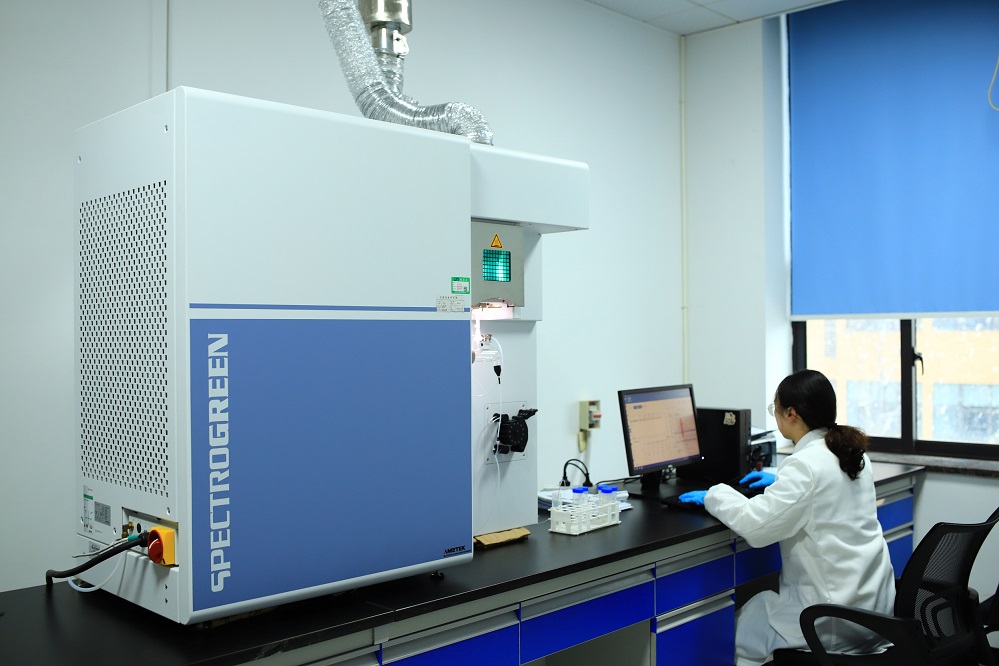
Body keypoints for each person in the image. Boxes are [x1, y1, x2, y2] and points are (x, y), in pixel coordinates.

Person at [679, 369, 896, 665]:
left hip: (830, 621)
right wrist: (779, 481)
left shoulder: (805, 465)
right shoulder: (852, 454)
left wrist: (714, 494)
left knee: (728, 635)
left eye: (776, 409)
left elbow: (756, 526)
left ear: (791, 414)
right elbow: (824, 492)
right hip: (874, 616)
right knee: (755, 611)